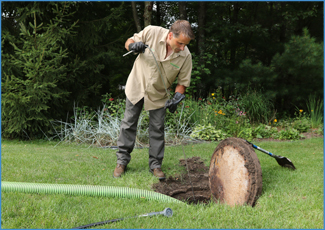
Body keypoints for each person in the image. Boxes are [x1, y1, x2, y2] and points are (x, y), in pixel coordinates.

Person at [113, 20, 195, 180]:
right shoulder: (151, 32)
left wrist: (178, 96)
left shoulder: (186, 56)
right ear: (170, 35)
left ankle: (156, 165)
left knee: (157, 129)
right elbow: (129, 41)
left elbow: (183, 82)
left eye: (186, 44)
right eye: (180, 43)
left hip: (159, 94)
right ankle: (121, 162)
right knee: (129, 123)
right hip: (138, 85)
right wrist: (132, 46)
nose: (183, 48)